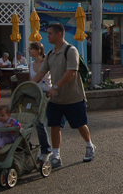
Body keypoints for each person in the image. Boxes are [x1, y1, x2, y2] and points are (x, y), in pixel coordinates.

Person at [31, 22, 95, 168]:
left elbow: (71, 72)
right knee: (54, 125)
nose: (47, 36)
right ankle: (56, 155)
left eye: (50, 33)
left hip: (73, 97)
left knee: (80, 125)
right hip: (56, 99)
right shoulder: (50, 53)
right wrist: (29, 87)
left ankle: (89, 146)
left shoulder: (71, 51)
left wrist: (54, 87)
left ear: (59, 34)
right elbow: (41, 72)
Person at [28, 41, 53, 163]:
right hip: (35, 94)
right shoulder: (31, 64)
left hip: (46, 93)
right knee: (31, 121)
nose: (29, 51)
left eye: (31, 49)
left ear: (38, 50)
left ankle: (46, 149)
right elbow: (30, 81)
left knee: (40, 122)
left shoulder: (47, 62)